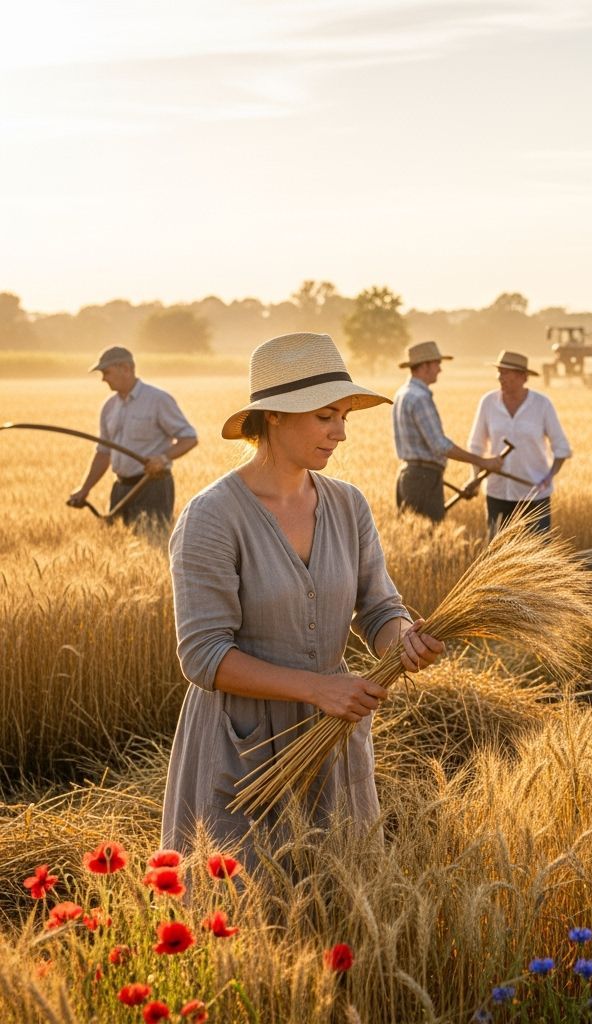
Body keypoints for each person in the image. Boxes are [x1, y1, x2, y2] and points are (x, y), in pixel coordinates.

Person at [162, 332, 444, 861]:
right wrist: (318, 688)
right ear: (273, 415)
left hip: (331, 738)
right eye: (325, 416)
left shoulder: (348, 505)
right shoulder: (213, 516)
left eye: (345, 417)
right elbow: (203, 655)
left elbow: (380, 608)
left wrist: (404, 639)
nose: (341, 432)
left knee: (341, 893)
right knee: (246, 897)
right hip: (243, 751)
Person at [67, 346, 198, 525]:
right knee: (117, 539)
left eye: (106, 372)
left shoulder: (158, 399)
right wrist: (85, 488)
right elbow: (103, 452)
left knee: (153, 537)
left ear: (126, 368)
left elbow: (189, 438)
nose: (103, 379)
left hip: (152, 487)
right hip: (120, 488)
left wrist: (163, 458)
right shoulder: (109, 407)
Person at [392, 340, 503, 521]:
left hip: (409, 476)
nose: (440, 369)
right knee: (428, 534)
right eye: (437, 364)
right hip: (423, 479)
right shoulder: (420, 398)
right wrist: (482, 462)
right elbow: (440, 445)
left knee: (415, 533)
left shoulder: (403, 393)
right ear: (425, 366)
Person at [467, 350, 572, 534]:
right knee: (498, 550)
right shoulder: (488, 402)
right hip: (497, 493)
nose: (500, 377)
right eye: (499, 372)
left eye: (505, 373)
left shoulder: (542, 405)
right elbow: (476, 446)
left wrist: (548, 477)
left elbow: (561, 448)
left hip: (534, 496)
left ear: (523, 377)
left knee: (538, 549)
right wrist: (474, 478)